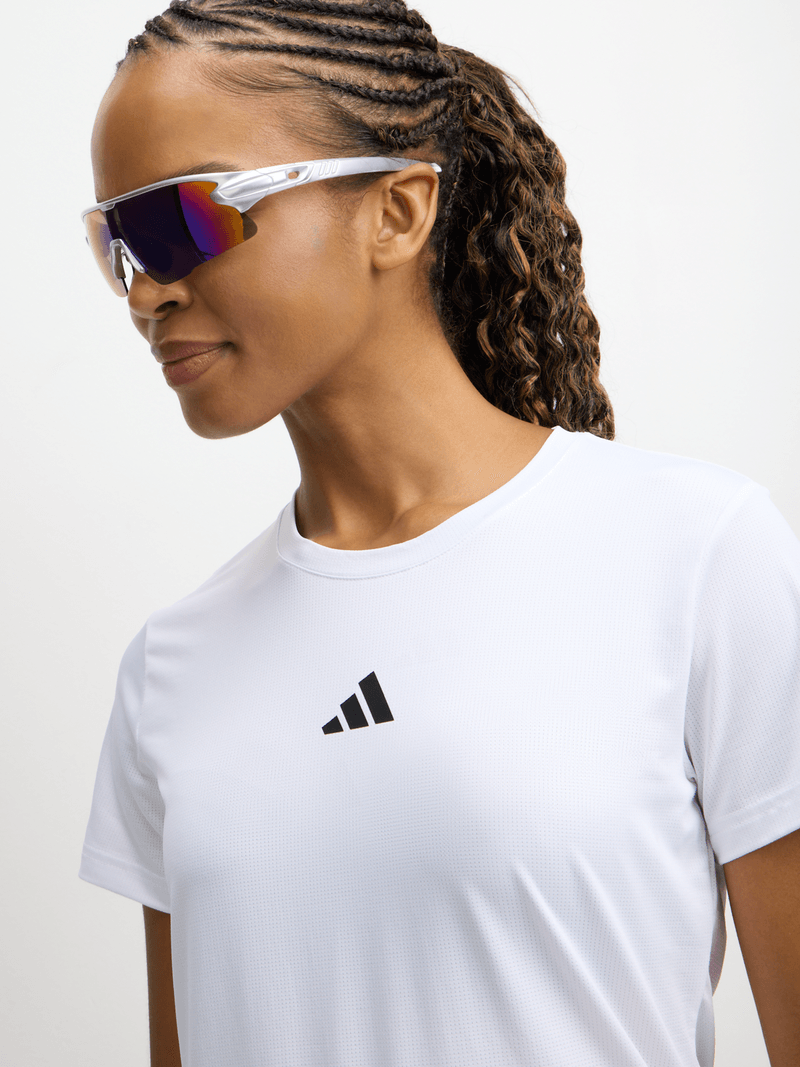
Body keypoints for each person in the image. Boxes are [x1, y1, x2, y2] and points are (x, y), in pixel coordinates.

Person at [78, 3, 800, 1066]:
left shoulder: (696, 556)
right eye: (117, 242)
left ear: (397, 210)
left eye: (183, 218)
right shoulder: (170, 667)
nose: (147, 290)